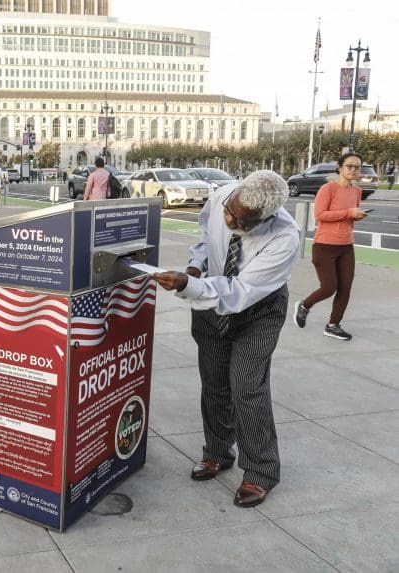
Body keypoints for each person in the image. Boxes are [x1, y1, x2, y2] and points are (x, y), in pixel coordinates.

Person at [152, 170, 300, 508]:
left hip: (257, 310)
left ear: (266, 218)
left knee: (247, 386)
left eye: (241, 220)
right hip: (210, 294)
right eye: (229, 211)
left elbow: (240, 293)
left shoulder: (284, 238)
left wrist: (188, 286)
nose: (229, 218)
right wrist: (194, 266)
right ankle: (217, 452)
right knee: (214, 381)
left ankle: (261, 472)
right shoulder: (225, 197)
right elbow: (207, 235)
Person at [294, 152, 369, 341]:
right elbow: (320, 215)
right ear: (340, 167)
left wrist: (356, 215)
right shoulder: (328, 189)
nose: (353, 170)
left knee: (345, 288)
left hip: (346, 246)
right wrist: (348, 212)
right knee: (329, 287)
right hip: (325, 245)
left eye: (357, 167)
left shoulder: (357, 191)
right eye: (349, 166)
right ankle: (304, 305)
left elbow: (349, 217)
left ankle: (333, 325)